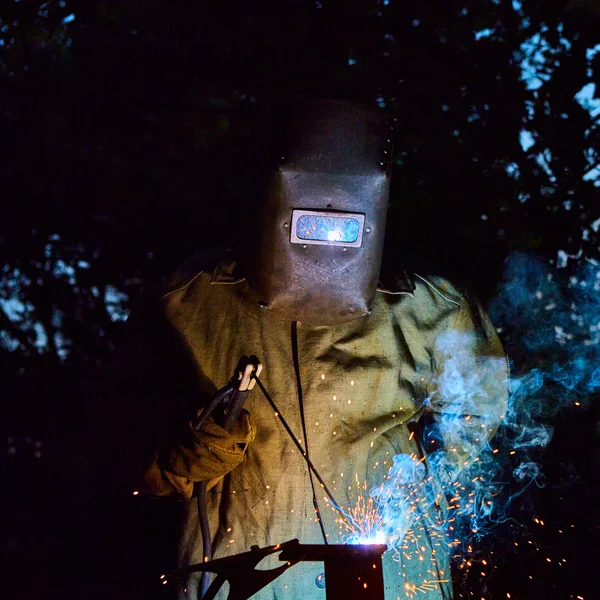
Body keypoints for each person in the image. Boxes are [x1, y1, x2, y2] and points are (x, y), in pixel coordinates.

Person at [127, 99, 508, 600]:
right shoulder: (191, 303)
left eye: (345, 223)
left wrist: (421, 473)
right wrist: (182, 452)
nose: (326, 234)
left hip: (392, 577)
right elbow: (121, 450)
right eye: (309, 221)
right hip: (241, 576)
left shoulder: (432, 309)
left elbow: (478, 426)